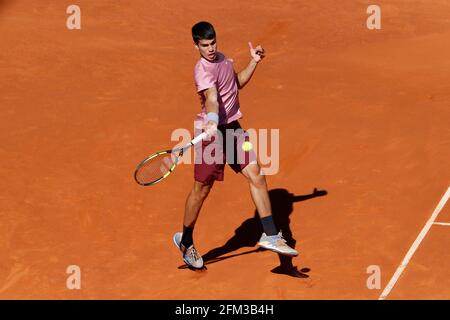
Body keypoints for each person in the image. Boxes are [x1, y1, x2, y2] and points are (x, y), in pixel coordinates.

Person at [173, 21, 298, 269]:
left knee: (257, 174)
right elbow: (211, 98)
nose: (210, 49)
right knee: (202, 190)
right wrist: (210, 119)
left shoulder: (224, 60)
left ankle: (271, 234)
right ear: (196, 45)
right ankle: (185, 240)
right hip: (211, 135)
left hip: (232, 129)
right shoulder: (202, 70)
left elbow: (236, 83)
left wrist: (253, 62)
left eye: (213, 43)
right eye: (205, 45)